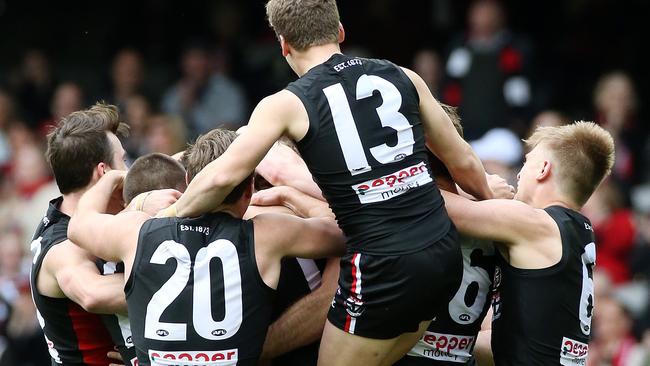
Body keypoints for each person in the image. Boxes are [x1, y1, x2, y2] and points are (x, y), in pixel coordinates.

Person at [160, 1, 496, 364]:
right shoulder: (402, 75)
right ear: (340, 32)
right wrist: (491, 206)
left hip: (381, 266)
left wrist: (169, 214)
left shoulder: (286, 103)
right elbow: (462, 160)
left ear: (284, 44)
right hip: (443, 256)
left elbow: (224, 176)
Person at [67, 129, 346, 366]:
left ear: (189, 182)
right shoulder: (268, 233)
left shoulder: (136, 232)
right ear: (250, 190)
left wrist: (114, 178)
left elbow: (78, 225)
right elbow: (349, 230)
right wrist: (290, 194)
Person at [439, 121, 615, 364]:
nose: (519, 174)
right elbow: (516, 345)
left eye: (526, 162)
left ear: (543, 169)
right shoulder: (579, 231)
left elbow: (438, 208)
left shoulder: (535, 224)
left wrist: (480, 189)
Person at [30, 102, 177, 366]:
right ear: (104, 172)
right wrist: (188, 280)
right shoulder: (63, 247)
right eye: (123, 160)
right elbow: (93, 294)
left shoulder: (98, 220)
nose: (129, 169)